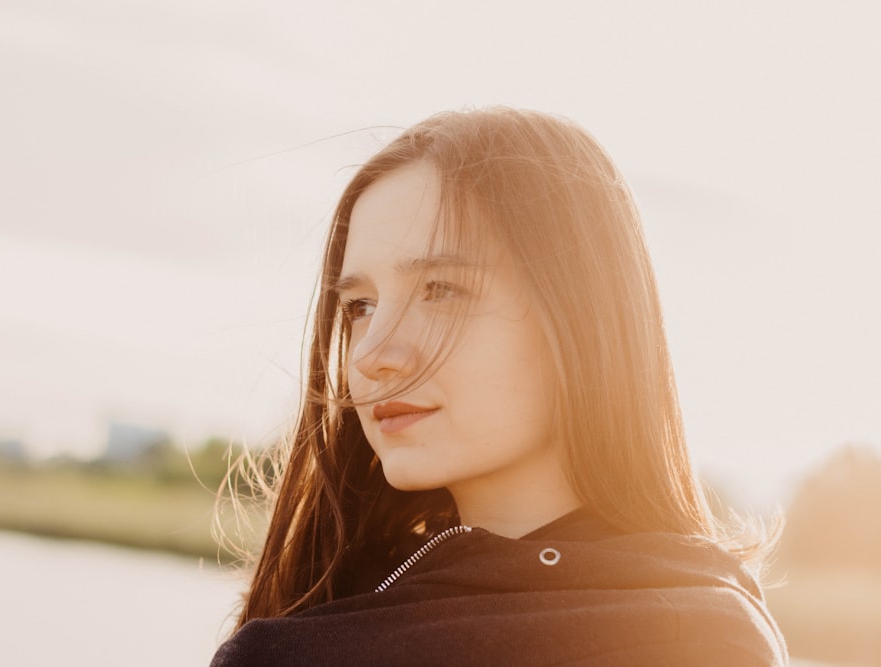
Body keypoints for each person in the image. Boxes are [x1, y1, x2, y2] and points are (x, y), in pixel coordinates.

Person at [210, 107, 786, 666]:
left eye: (441, 291)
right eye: (360, 305)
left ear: (582, 317)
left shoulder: (693, 640)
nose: (370, 355)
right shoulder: (324, 610)